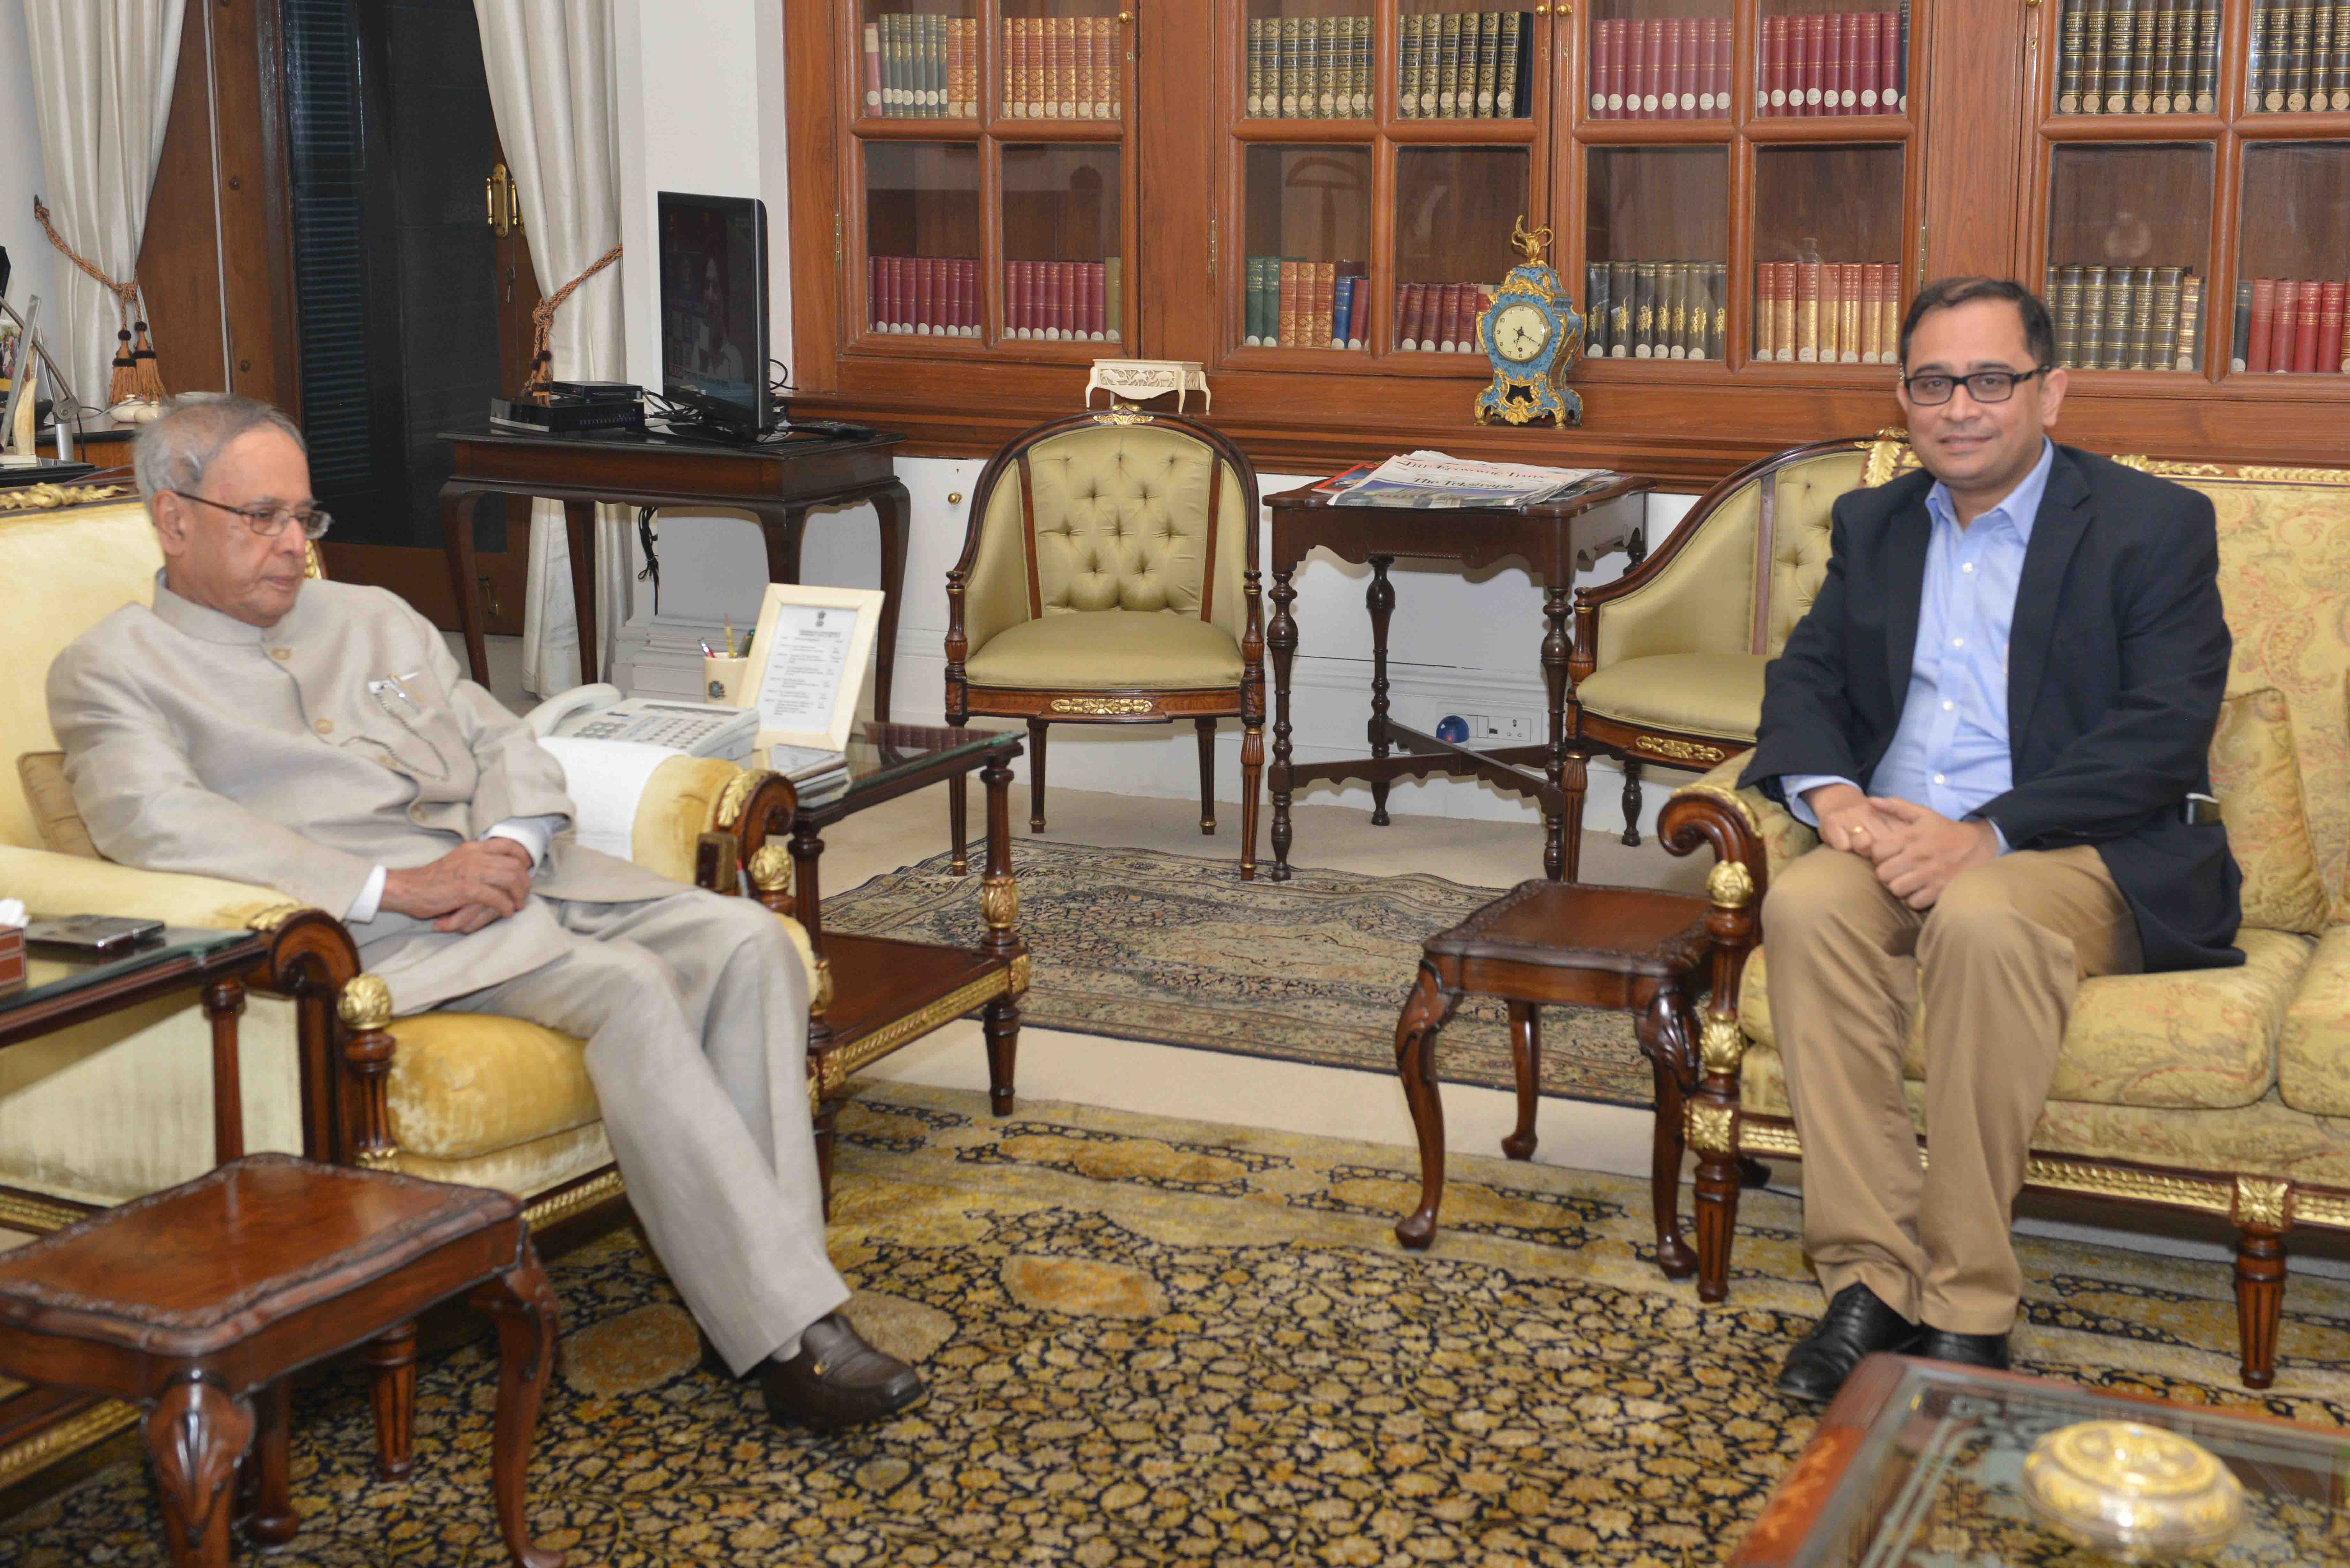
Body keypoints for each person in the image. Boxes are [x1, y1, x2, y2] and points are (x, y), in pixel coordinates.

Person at [47, 393, 921, 1431]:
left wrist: (510, 842)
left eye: (306, 520)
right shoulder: (113, 671)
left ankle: (756, 1291)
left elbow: (506, 739)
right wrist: (396, 888)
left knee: (748, 942)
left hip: (524, 887)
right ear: (173, 517)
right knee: (631, 992)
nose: (293, 547)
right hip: (384, 938)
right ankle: (795, 1337)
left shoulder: (371, 615)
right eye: (262, 519)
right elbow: (159, 826)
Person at [1741, 278, 2241, 1404]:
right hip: (1897, 837)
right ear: (1903, 399)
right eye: (1932, 383)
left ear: (2051, 391)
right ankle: (1871, 1280)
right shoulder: (1875, 523)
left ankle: (1970, 1306)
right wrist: (1836, 806)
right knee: (1808, 905)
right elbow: (1809, 675)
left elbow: (2166, 730)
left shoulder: (2151, 526)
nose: (1960, 407)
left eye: (1991, 380)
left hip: (2078, 850)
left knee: (1981, 914)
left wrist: (1993, 834)